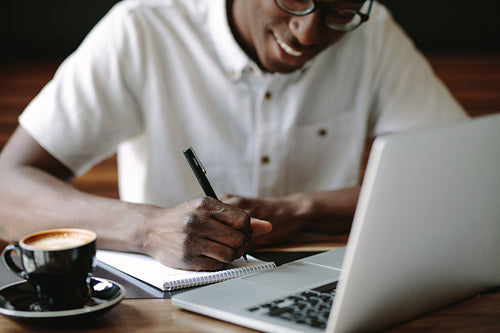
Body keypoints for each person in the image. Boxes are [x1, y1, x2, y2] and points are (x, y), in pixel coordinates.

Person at [0, 0, 467, 271]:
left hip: (315, 284)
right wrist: (147, 229)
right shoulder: (142, 27)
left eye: (339, 10)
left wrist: (302, 211)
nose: (308, 32)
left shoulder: (373, 32)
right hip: (170, 305)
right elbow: (6, 188)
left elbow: (458, 180)